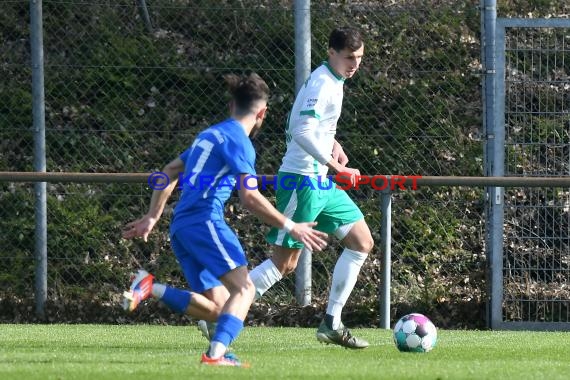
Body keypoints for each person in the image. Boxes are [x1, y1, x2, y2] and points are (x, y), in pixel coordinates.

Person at [121, 72, 328, 367]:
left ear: (232, 105)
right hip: (205, 221)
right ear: (263, 113)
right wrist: (290, 225)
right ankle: (215, 355)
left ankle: (149, 286)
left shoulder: (208, 135)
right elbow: (250, 198)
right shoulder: (239, 142)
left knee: (219, 308)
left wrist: (153, 216)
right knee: (244, 289)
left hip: (181, 227)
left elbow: (169, 170)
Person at [248, 26, 374, 349]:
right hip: (301, 181)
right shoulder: (322, 82)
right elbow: (300, 131)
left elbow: (312, 125)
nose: (355, 64)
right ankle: (219, 310)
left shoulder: (334, 80)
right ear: (331, 52)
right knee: (284, 263)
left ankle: (332, 322)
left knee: (361, 241)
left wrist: (334, 144)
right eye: (349, 57)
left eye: (359, 58)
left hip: (321, 181)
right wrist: (335, 166)